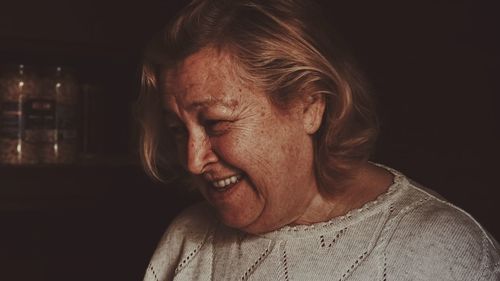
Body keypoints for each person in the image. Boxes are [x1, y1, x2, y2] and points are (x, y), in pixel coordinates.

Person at [138, 0, 500, 280]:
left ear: (310, 105)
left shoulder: (439, 252)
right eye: (177, 129)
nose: (192, 159)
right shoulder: (188, 238)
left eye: (216, 123)